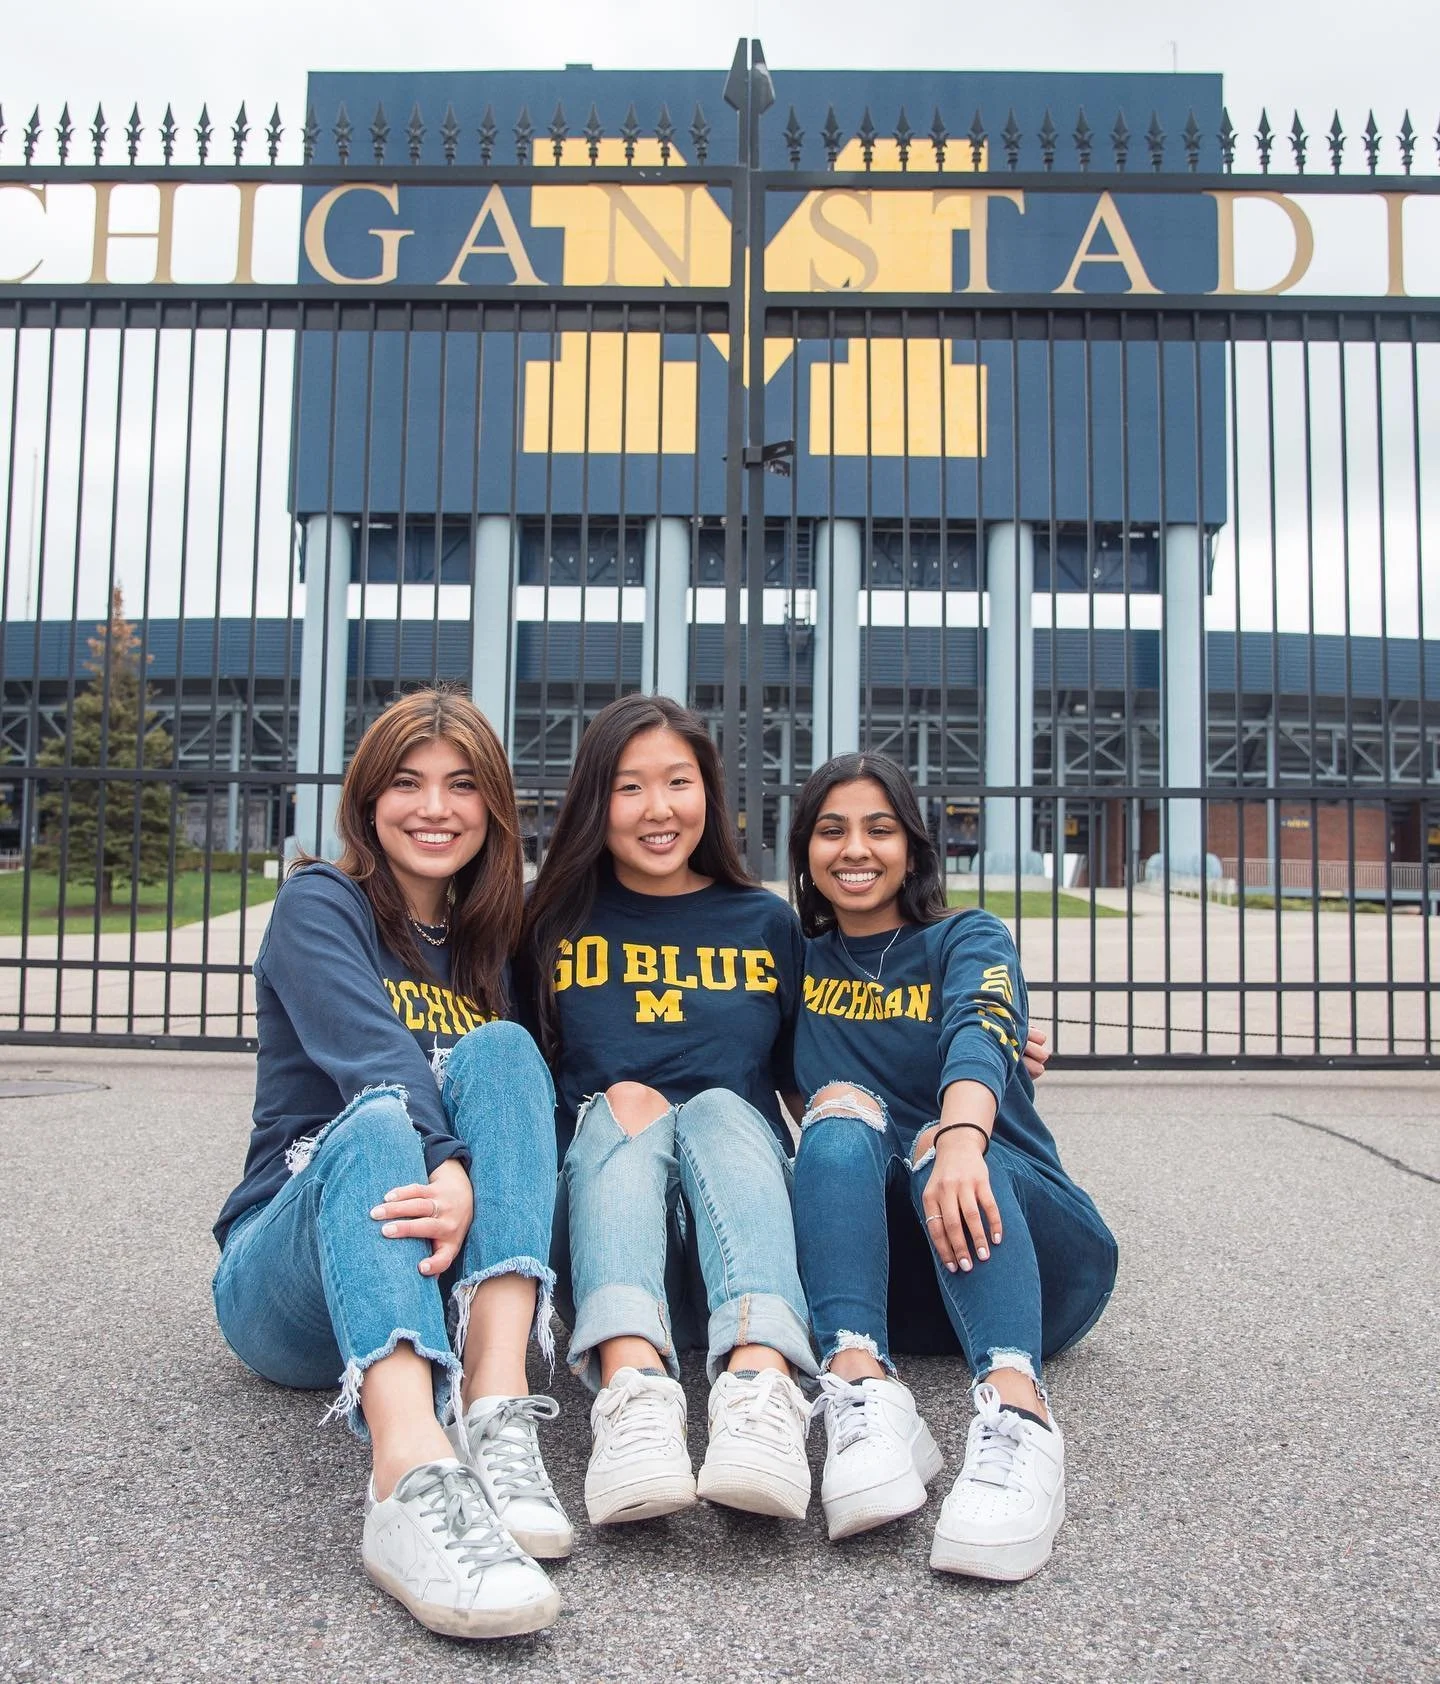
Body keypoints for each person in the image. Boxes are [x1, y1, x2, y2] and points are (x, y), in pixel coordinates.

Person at [212, 688, 569, 1639]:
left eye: (460, 785)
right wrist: (447, 1161)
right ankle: (408, 1479)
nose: (434, 807)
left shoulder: (499, 947)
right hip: (290, 1281)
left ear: (493, 806)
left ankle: (493, 1409)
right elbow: (373, 1053)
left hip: (434, 1280)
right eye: (407, 783)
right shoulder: (318, 903)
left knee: (505, 1052)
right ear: (370, 800)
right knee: (374, 1121)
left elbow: (540, 1113)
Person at [787, 751, 1118, 1580]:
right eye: (832, 830)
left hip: (1031, 1251)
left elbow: (981, 1019)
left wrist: (965, 1129)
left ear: (913, 847)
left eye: (878, 828)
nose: (854, 849)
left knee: (937, 1142)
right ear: (805, 850)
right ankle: (860, 1383)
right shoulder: (793, 963)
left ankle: (1020, 1415)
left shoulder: (964, 936)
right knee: (835, 1115)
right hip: (894, 1281)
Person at [519, 693, 817, 1527]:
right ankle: (632, 1393)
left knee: (723, 1109)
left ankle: (762, 1389)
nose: (660, 810)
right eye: (629, 787)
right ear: (593, 801)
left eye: (679, 782)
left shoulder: (765, 923)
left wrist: (978, 1056)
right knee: (629, 1103)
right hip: (610, 1242)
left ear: (709, 794)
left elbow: (818, 1080)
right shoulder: (545, 920)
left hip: (743, 1239)